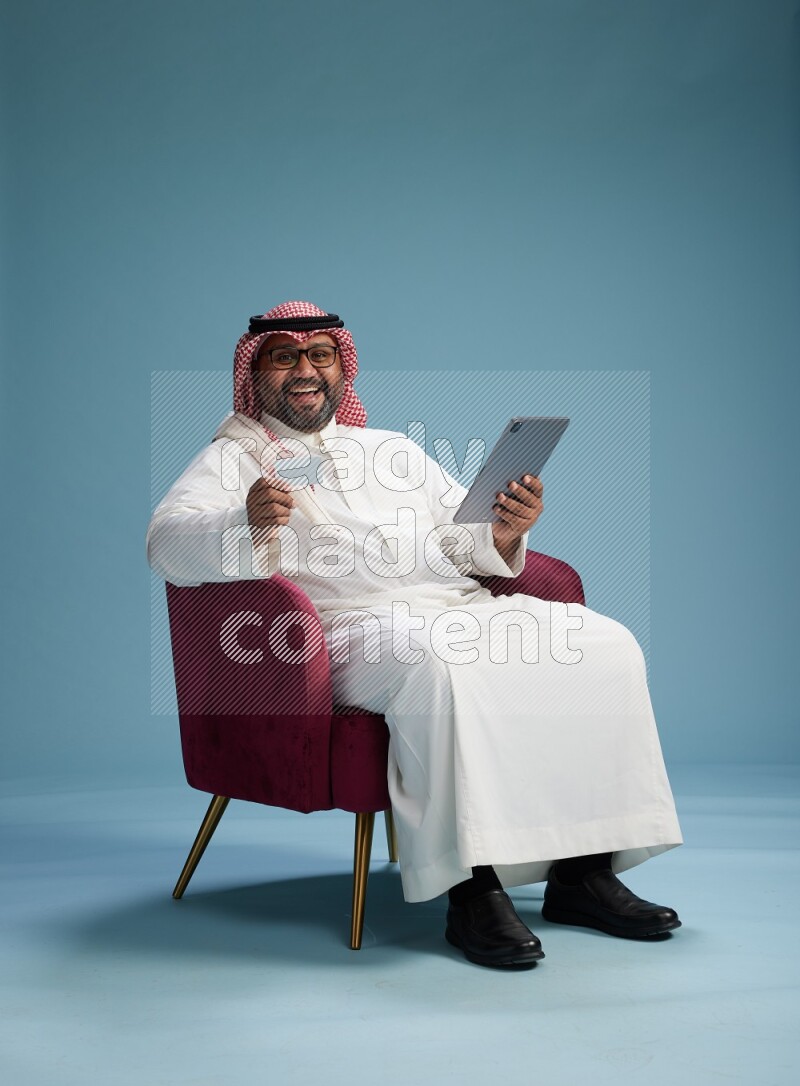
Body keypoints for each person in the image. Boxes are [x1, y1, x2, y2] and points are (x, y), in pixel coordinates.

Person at [147, 300, 683, 968]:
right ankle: (471, 890)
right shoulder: (228, 461)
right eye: (285, 357)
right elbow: (166, 546)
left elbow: (459, 535)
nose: (305, 371)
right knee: (441, 666)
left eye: (320, 355)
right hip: (338, 633)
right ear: (256, 373)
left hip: (450, 604)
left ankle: (583, 873)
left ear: (342, 367)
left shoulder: (392, 450)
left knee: (602, 646)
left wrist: (505, 529)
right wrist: (241, 520)